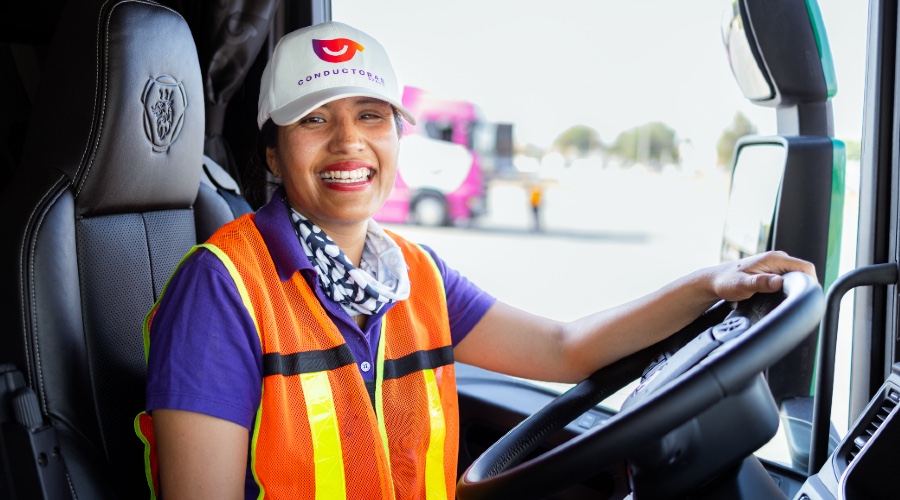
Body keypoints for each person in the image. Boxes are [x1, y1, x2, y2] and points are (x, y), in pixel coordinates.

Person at [138, 21, 817, 500]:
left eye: (371, 116)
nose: (349, 142)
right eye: (314, 120)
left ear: (398, 139)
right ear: (271, 152)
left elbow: (563, 349)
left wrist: (708, 285)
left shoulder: (415, 275)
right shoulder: (222, 287)